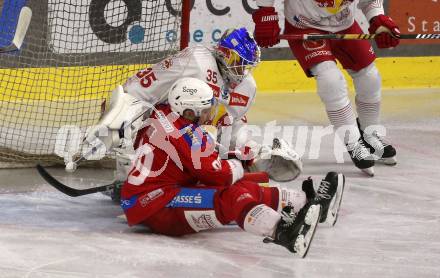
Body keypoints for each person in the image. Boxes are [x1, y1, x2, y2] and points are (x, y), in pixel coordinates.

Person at [120, 77, 345, 257]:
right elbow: (220, 176)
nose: (209, 115)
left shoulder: (162, 111)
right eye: (205, 110)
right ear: (189, 112)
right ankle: (283, 233)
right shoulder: (187, 134)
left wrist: (232, 157)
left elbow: (189, 158)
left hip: (153, 195)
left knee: (243, 185)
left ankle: (306, 204)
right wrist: (239, 162)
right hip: (156, 206)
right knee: (232, 194)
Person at [84, 27, 303, 201]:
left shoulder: (247, 87)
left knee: (221, 147)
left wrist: (255, 154)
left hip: (200, 141)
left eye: (247, 66)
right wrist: (116, 121)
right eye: (239, 64)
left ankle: (196, 177)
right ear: (225, 54)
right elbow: (142, 88)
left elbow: (232, 124)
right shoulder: (196, 60)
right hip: (171, 128)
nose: (242, 72)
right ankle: (132, 174)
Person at [251, 0, 398, 176]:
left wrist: (377, 18)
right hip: (304, 26)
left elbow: (370, 2)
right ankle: (353, 142)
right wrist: (266, 12)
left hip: (345, 25)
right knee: (331, 80)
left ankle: (370, 135)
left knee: (370, 78)